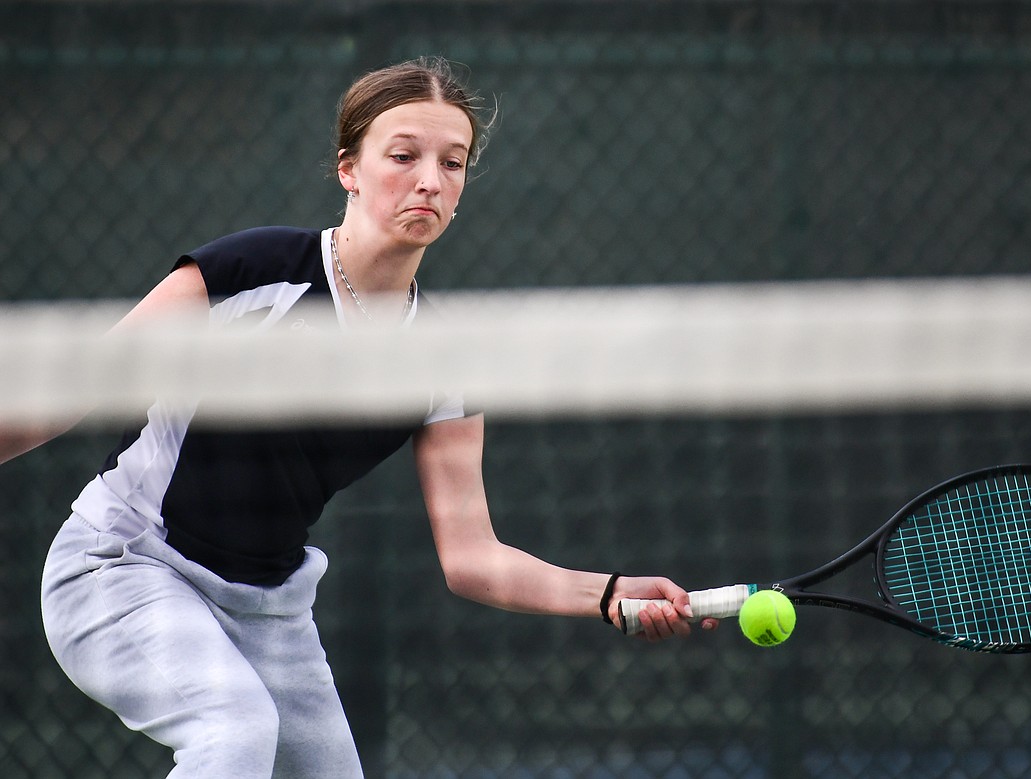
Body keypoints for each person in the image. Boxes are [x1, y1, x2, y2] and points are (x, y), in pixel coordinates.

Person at [0, 57, 717, 778]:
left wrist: (608, 592)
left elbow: (473, 558)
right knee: (236, 729)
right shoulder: (249, 274)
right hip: (124, 566)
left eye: (453, 162)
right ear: (350, 168)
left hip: (270, 613)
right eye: (403, 155)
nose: (429, 180)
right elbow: (75, 385)